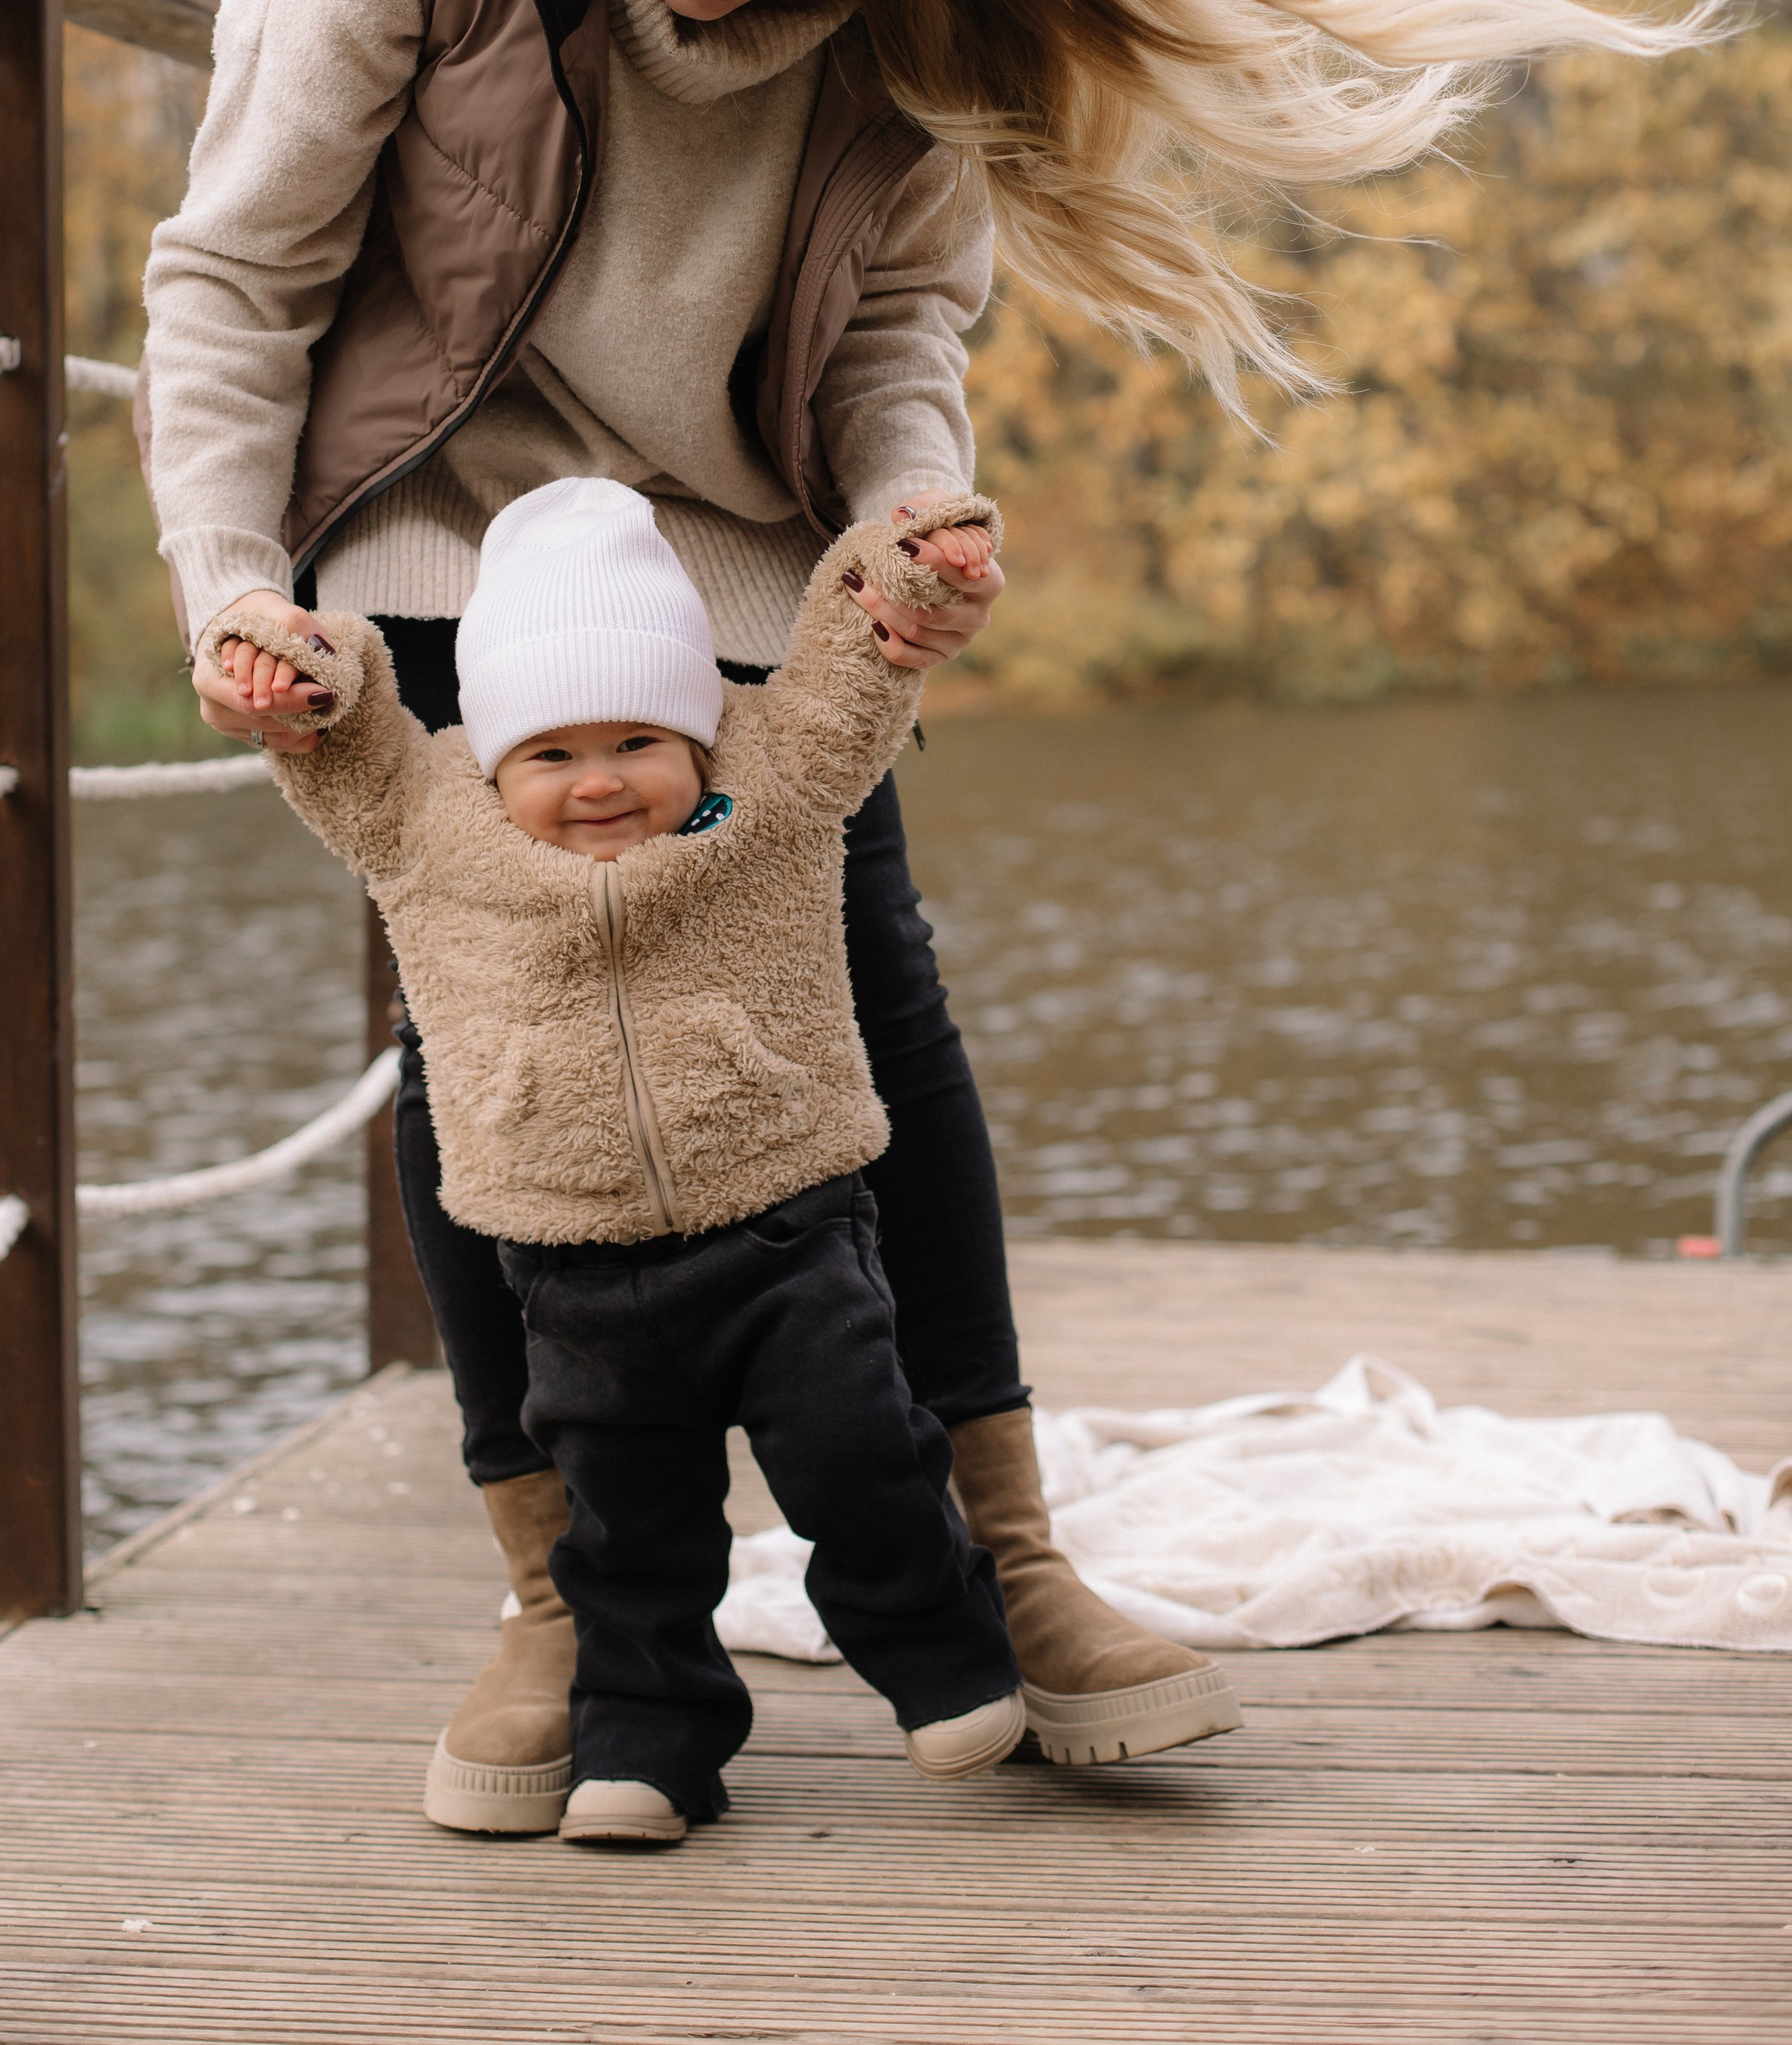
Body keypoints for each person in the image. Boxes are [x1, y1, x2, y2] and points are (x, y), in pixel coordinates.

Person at [141, 0, 1730, 1828]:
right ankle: (568, 1608)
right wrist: (226, 580)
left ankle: (1004, 1559)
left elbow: (897, 333)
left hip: (757, 541)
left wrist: (917, 510)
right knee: (479, 1033)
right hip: (443, 531)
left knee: (875, 1000)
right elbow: (238, 273)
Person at [222, 474, 1191, 1844]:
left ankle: (951, 1648)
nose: (601, 780)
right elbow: (349, 753)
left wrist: (911, 566)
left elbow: (850, 685)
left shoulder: (771, 788)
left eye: (638, 739)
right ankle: (649, 1744)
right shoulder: (438, 832)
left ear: (701, 728)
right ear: (493, 764)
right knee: (629, 1531)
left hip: (784, 1235)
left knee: (863, 1450)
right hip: (573, 1271)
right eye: (551, 755)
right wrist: (290, 666)